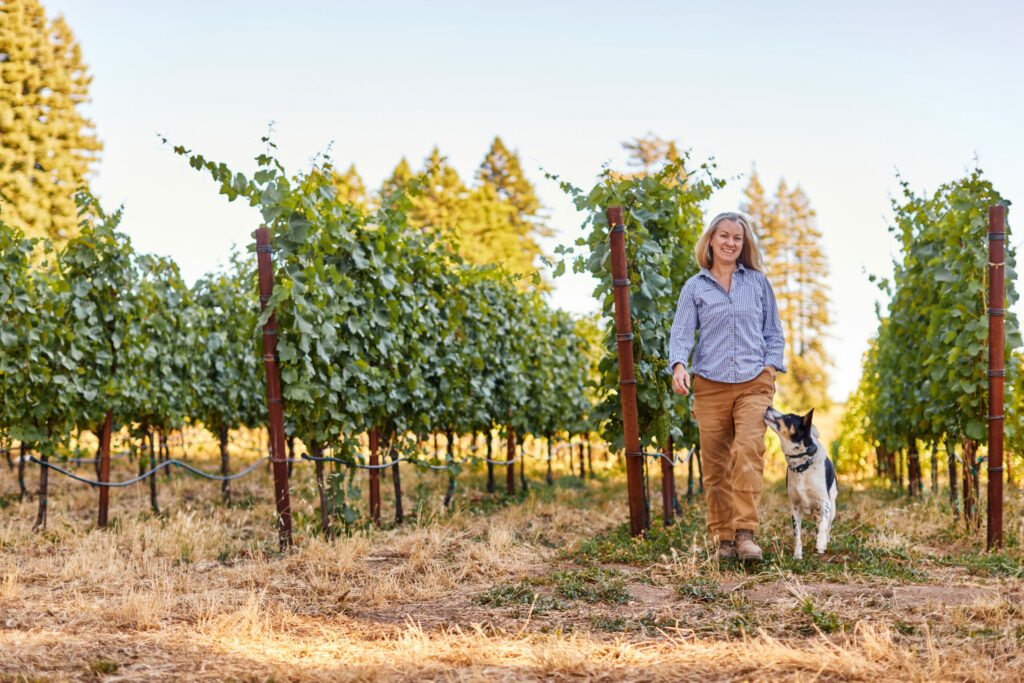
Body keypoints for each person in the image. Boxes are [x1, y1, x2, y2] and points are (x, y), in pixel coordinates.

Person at [669, 211, 785, 562]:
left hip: (753, 382)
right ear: (711, 240)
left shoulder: (759, 283)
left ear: (743, 244)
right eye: (724, 236)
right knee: (716, 466)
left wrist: (768, 369)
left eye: (737, 238)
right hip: (710, 384)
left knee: (748, 452)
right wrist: (679, 365)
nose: (731, 243)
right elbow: (682, 332)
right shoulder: (695, 287)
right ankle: (723, 540)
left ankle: (746, 534)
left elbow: (774, 333)